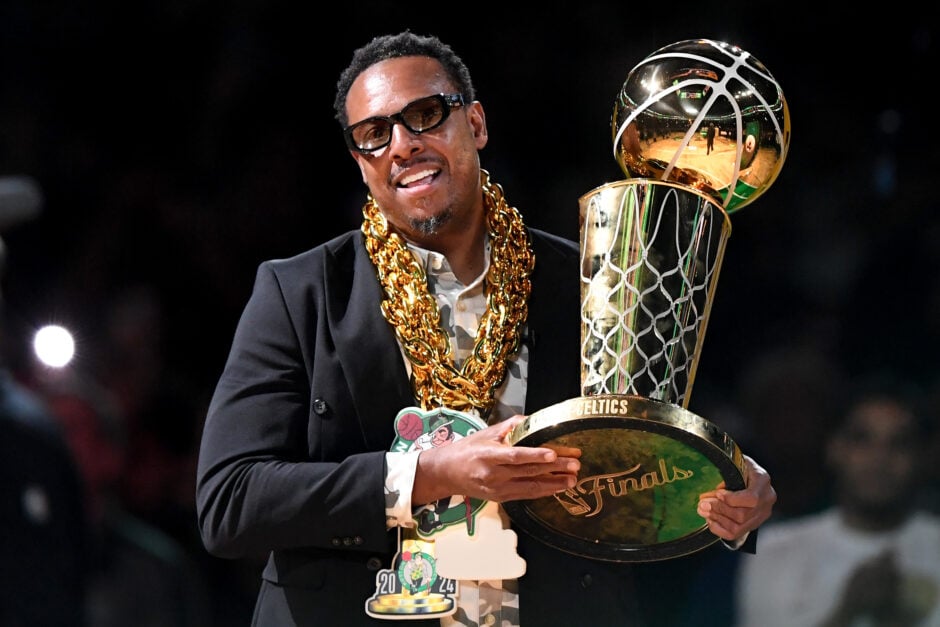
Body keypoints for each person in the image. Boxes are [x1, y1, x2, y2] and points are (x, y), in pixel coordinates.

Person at [195, 31, 777, 626]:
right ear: (360, 161)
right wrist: (428, 475)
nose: (403, 145)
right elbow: (230, 501)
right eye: (375, 134)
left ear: (475, 124)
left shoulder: (591, 284)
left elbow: (655, 457)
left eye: (425, 115)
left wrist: (732, 490)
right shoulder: (301, 293)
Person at [735, 374, 940, 627]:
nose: (879, 459)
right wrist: (849, 610)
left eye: (899, 443)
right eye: (861, 439)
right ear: (834, 448)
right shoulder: (776, 549)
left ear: (923, 457)